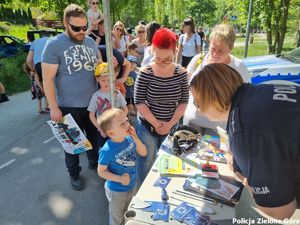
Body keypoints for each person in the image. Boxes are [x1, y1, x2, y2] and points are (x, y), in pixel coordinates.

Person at [190, 63, 300, 220]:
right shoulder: (260, 91)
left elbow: (281, 212)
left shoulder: (244, 132)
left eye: (197, 103)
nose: (198, 110)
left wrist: (242, 178)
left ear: (212, 97)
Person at [42, 4, 102, 190]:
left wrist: (111, 67)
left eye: (84, 27)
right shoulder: (53, 45)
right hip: (67, 107)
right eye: (76, 28)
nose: (81, 32)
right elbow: (48, 79)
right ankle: (74, 173)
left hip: (92, 104)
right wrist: (53, 108)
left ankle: (95, 163)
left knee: (94, 138)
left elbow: (100, 70)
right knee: (72, 145)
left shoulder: (91, 43)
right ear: (65, 24)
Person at [134, 28, 189, 184]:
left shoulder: (181, 73)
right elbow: (139, 102)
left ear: (175, 51)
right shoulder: (145, 72)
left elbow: (184, 101)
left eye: (168, 59)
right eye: (158, 58)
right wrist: (157, 124)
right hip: (147, 126)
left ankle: (163, 191)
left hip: (171, 126)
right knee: (146, 161)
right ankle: (143, 193)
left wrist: (169, 125)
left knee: (167, 161)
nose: (163, 63)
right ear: (152, 50)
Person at [183, 24, 249, 135]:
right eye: (212, 49)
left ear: (231, 48)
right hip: (192, 121)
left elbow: (244, 99)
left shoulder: (238, 67)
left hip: (219, 127)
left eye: (221, 51)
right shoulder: (198, 60)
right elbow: (187, 85)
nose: (215, 54)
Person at [97, 108, 147, 225]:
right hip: (116, 191)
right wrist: (119, 179)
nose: (127, 124)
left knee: (129, 211)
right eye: (122, 124)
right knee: (117, 217)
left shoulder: (129, 138)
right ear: (111, 133)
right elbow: (101, 171)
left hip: (132, 184)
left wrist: (135, 137)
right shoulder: (107, 150)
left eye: (127, 120)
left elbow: (144, 152)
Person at [88, 63, 128, 147]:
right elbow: (91, 115)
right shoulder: (96, 96)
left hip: (118, 129)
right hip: (104, 131)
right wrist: (99, 128)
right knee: (105, 149)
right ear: (97, 79)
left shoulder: (117, 93)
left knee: (120, 149)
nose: (106, 83)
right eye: (103, 80)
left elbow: (125, 109)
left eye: (109, 80)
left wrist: (121, 122)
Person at [26, 35, 49, 113]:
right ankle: (50, 107)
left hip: (38, 66)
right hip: (50, 63)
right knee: (51, 87)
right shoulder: (52, 40)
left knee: (42, 92)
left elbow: (29, 60)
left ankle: (43, 107)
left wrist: (33, 69)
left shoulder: (35, 42)